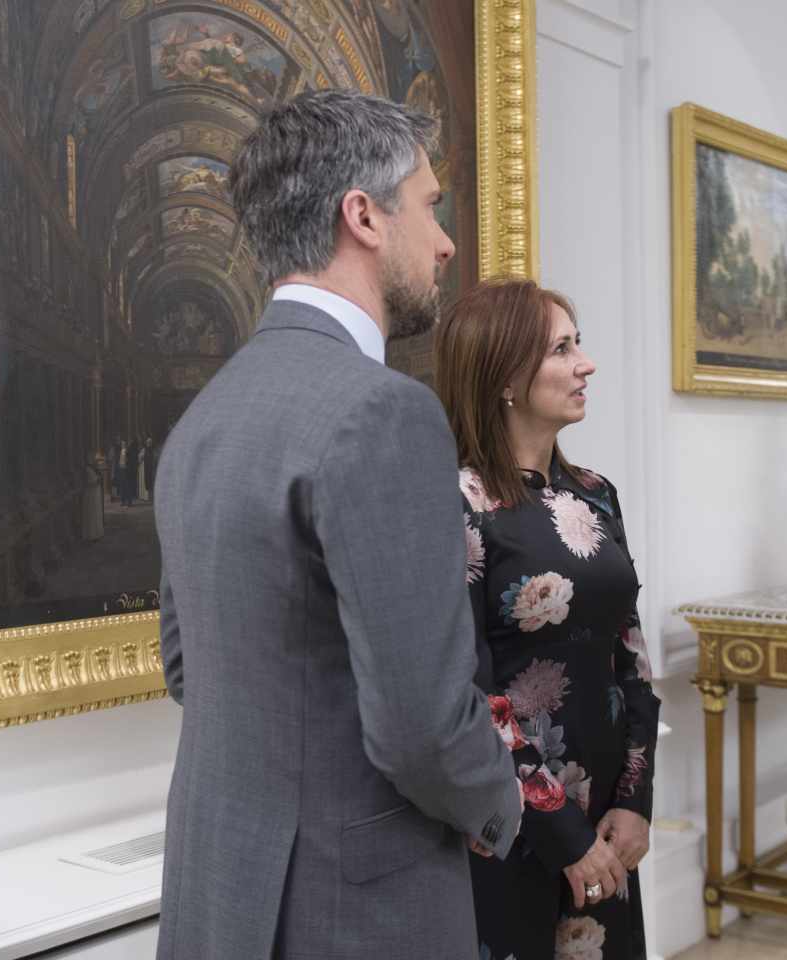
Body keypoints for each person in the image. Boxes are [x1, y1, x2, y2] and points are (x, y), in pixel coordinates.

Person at [153, 91, 522, 959]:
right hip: (352, 908)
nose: (445, 242)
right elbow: (422, 726)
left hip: (219, 887)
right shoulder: (382, 413)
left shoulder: (202, 415)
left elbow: (185, 664)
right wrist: (497, 798)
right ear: (362, 215)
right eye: (430, 207)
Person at [434, 278, 661, 959]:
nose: (585, 364)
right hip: (514, 829)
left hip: (607, 824)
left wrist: (633, 801)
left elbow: (634, 661)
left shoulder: (597, 496)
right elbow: (469, 696)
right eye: (563, 349)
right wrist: (564, 834)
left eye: (578, 344)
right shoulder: (457, 503)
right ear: (504, 376)